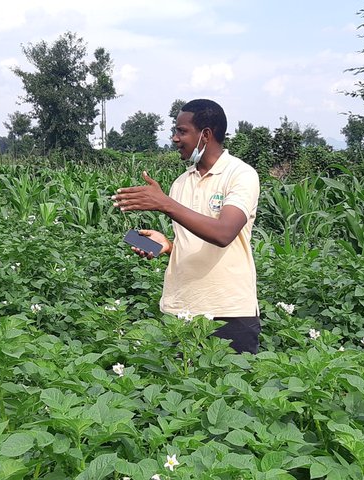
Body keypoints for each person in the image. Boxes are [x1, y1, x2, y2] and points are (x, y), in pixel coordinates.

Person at [111, 99, 262, 353]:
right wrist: (169, 245)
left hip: (229, 312)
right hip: (182, 312)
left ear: (205, 135)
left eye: (182, 131)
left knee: (234, 391)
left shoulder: (241, 175)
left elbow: (224, 233)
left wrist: (165, 204)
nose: (174, 138)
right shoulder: (180, 183)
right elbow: (193, 237)